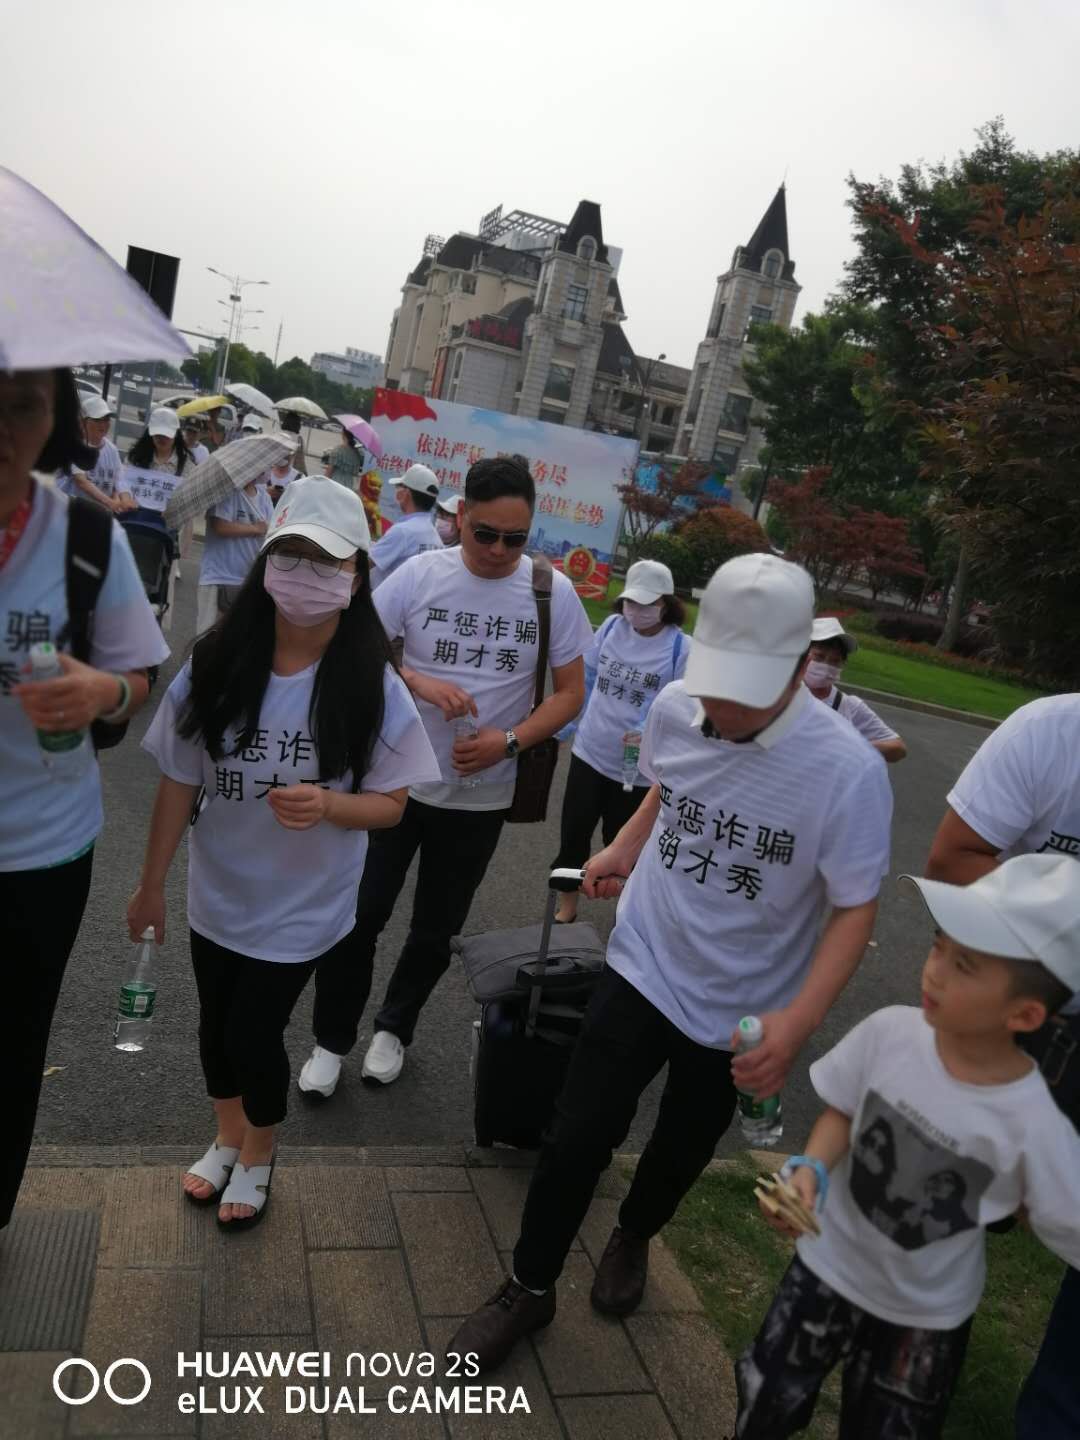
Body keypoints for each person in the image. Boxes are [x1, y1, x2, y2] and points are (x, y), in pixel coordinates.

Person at [446, 554, 893, 1372]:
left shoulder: (848, 770)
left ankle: (634, 1233)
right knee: (577, 1131)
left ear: (800, 665)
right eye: (716, 683)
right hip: (645, 956)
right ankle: (529, 1286)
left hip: (744, 1003)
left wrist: (797, 1023)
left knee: (684, 1142)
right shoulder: (679, 705)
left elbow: (855, 907)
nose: (721, 709)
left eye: (745, 691)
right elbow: (669, 787)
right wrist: (623, 846)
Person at [128, 478, 438, 1229]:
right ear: (265, 564)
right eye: (289, 556)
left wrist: (330, 805)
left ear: (356, 577)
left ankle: (260, 1150)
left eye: (326, 561)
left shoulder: (371, 684)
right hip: (217, 891)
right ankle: (227, 1135)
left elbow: (393, 804)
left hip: (304, 904)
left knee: (251, 1033)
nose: (305, 575)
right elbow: (179, 777)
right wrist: (151, 884)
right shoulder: (217, 661)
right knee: (213, 1028)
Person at [735, 853, 1080, 1440]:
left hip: (924, 1319)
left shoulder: (1034, 1123)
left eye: (964, 965)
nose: (935, 971)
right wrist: (810, 1169)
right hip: (824, 1268)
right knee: (766, 1394)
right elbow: (844, 1108)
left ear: (1025, 1013)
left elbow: (1063, 1218)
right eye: (938, 945)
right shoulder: (890, 1031)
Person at [299, 456, 593, 1098]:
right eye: (485, 534)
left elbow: (571, 693)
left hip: (479, 797)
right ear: (460, 518)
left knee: (436, 928)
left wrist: (507, 743)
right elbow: (359, 645)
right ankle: (331, 1039)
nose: (498, 551)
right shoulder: (420, 575)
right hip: (395, 783)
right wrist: (419, 681)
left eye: (515, 538)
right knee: (360, 915)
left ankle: (394, 1028)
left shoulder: (552, 593)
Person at [1, 367, 168, 1230]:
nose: (2, 427)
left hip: (43, 850)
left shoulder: (85, 540)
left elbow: (141, 677)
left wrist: (103, 692)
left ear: (55, 420)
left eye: (23, 405)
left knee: (14, 1041)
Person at [923, 692, 1080, 1439]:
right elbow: (953, 857)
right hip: (1019, 1008)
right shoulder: (1050, 733)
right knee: (954, 1204)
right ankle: (911, 1372)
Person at [551, 559, 689, 924]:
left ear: (665, 603)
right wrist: (566, 725)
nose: (636, 610)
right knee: (573, 833)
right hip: (590, 752)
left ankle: (627, 916)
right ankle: (567, 906)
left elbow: (681, 704)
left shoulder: (679, 648)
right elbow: (588, 677)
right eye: (631, 601)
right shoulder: (611, 627)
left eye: (646, 603)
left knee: (625, 843)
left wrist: (646, 728)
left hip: (637, 770)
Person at [804, 617, 906, 762]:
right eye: (819, 657)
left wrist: (851, 747)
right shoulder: (781, 692)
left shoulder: (849, 706)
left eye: (835, 661)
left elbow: (898, 748)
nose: (826, 665)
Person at [195, 473, 274, 636]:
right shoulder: (225, 491)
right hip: (218, 578)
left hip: (248, 580)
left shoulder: (264, 497)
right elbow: (220, 526)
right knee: (207, 638)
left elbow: (271, 531)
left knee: (234, 639)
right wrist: (255, 529)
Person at [58, 395, 132, 514]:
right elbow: (81, 481)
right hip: (70, 510)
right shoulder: (75, 445)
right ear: (82, 421)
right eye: (97, 420)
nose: (103, 424)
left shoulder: (112, 449)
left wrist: (122, 499)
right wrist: (110, 503)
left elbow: (119, 479)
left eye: (106, 419)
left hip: (98, 513)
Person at [369, 463, 440, 588]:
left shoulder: (403, 531)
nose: (397, 491)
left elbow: (366, 563)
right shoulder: (434, 535)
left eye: (400, 486)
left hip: (384, 597)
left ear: (406, 494)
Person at [116, 407, 192, 518]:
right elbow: (122, 479)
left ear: (176, 433)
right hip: (134, 517)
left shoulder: (186, 465)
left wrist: (174, 510)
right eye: (158, 434)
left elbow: (188, 497)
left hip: (167, 523)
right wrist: (126, 498)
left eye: (166, 435)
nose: (162, 438)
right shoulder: (136, 456)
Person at [322, 425, 363, 491]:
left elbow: (329, 471)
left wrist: (322, 485)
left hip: (335, 485)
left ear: (343, 433)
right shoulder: (357, 454)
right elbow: (355, 473)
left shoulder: (338, 450)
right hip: (349, 487)